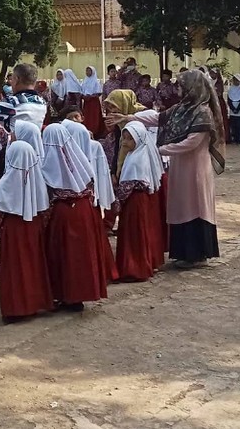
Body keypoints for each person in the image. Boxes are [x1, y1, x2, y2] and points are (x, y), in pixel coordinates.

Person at [112, 70, 226, 269]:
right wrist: (129, 118)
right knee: (182, 207)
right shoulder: (182, 109)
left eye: (181, 86)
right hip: (180, 167)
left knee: (195, 207)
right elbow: (158, 119)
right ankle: (183, 253)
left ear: (192, 87)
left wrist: (159, 150)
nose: (178, 89)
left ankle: (198, 254)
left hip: (196, 170)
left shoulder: (202, 112)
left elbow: (192, 143)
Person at [41, 124, 110, 310]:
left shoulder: (48, 163)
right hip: (83, 211)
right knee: (79, 255)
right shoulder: (79, 160)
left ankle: (65, 295)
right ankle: (77, 296)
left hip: (63, 214)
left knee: (64, 255)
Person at [0, 141, 53, 323]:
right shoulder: (38, 181)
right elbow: (45, 210)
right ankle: (33, 304)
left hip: (13, 229)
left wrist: (2, 231)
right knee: (33, 265)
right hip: (33, 226)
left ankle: (15, 308)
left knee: (13, 268)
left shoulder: (5, 182)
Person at [114, 122, 165, 282]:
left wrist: (117, 200)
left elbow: (129, 185)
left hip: (134, 201)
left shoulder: (137, 160)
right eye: (124, 138)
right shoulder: (134, 155)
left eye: (129, 139)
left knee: (134, 234)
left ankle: (135, 268)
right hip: (138, 201)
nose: (124, 142)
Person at [0, 63, 48, 129]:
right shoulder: (42, 102)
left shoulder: (12, 102)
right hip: (34, 139)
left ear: (16, 79)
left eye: (12, 79)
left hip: (14, 139)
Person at [80, 66, 105, 137]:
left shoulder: (96, 82)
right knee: (87, 117)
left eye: (89, 71)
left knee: (94, 117)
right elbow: (81, 91)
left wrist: (90, 97)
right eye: (86, 71)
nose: (87, 72)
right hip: (87, 103)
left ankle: (95, 131)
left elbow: (99, 93)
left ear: (93, 72)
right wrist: (84, 96)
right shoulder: (84, 81)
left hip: (94, 103)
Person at [227, 74, 240, 145]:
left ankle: (239, 139)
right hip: (232, 110)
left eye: (237, 80)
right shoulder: (230, 89)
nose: (236, 82)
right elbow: (229, 100)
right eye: (234, 80)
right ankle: (234, 139)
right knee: (233, 125)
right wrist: (232, 108)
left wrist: (237, 109)